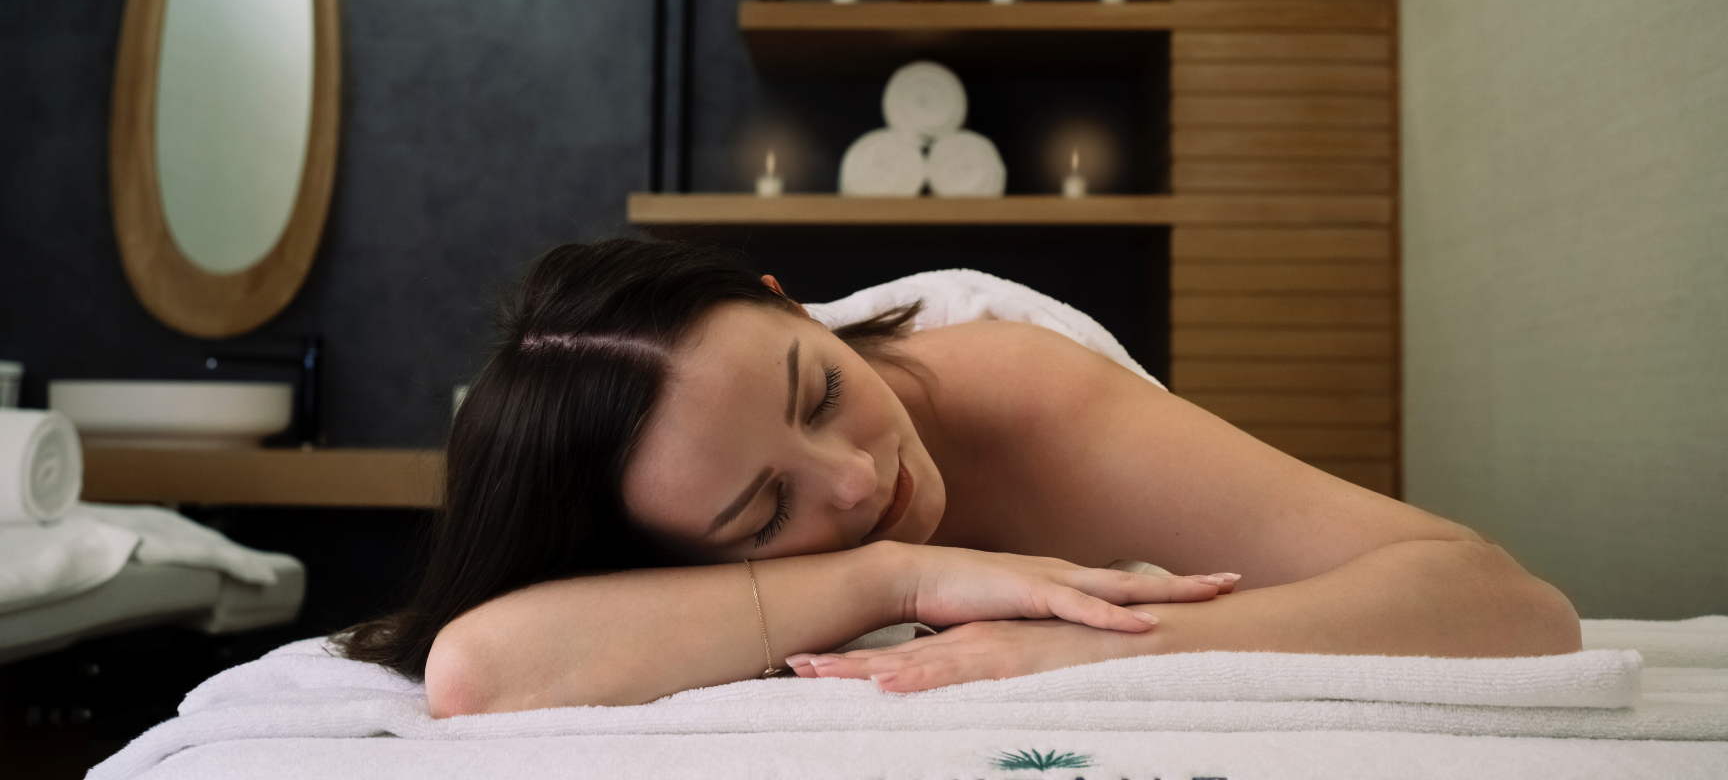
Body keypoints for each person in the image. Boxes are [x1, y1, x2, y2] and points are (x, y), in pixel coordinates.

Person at [339, 240, 1580, 717]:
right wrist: (895, 574)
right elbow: (478, 669)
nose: (853, 479)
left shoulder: (1023, 393)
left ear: (797, 308)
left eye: (821, 391)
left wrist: (1087, 642)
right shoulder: (667, 504)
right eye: (765, 511)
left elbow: (1508, 602)